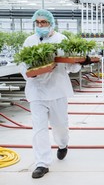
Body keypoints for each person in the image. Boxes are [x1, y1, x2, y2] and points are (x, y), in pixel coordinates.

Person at [19, 9, 81, 179]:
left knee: (60, 124)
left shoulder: (61, 40)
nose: (40, 25)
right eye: (37, 22)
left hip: (57, 89)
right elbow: (23, 67)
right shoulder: (29, 41)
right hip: (36, 91)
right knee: (39, 129)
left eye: (43, 22)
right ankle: (42, 163)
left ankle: (62, 144)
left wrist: (82, 61)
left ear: (51, 23)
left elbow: (71, 66)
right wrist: (32, 73)